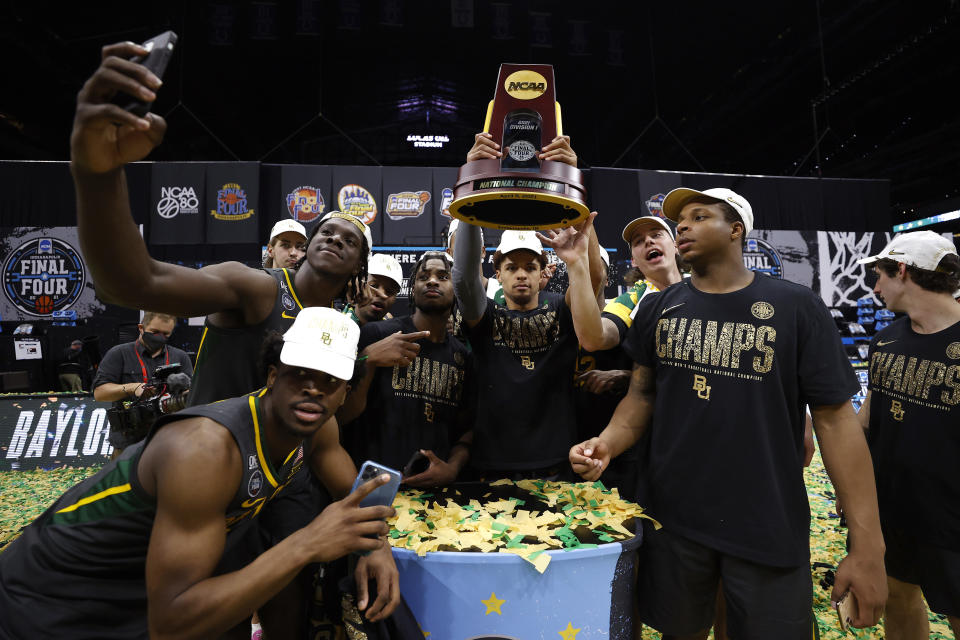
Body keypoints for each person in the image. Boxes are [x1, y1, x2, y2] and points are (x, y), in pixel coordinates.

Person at [70, 41, 399, 627]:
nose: (332, 237)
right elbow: (133, 279)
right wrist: (99, 174)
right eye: (324, 229)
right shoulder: (254, 289)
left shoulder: (340, 330)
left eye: (349, 240)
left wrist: (377, 528)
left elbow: (327, 439)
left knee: (289, 603)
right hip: (210, 466)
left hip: (283, 472)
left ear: (358, 271)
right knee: (202, 613)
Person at [569, 187, 887, 639]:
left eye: (700, 216)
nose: (683, 225)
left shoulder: (796, 307)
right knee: (682, 631)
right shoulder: (659, 307)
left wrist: (867, 545)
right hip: (674, 517)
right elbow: (641, 397)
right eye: (681, 220)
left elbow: (836, 422)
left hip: (765, 521)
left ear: (737, 230)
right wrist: (608, 441)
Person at [0, 307, 397, 639]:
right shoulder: (204, 449)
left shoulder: (316, 427)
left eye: (330, 380)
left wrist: (375, 546)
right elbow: (173, 625)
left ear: (346, 391)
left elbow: (356, 497)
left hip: (135, 592)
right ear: (273, 376)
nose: (314, 389)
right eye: (300, 374)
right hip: (47, 592)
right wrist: (308, 542)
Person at [453, 133, 606, 480]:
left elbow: (594, 280)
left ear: (544, 274)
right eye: (511, 267)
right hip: (490, 463)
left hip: (557, 461)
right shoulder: (485, 315)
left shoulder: (563, 308)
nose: (521, 274)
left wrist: (574, 186)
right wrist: (472, 177)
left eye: (530, 267)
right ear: (498, 273)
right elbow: (463, 277)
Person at [856, 231, 960, 638]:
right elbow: (867, 421)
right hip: (893, 508)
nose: (876, 288)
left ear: (902, 270)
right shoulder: (885, 340)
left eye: (880, 275)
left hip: (953, 517)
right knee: (897, 596)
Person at [340, 252, 474, 486]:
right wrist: (367, 360)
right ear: (412, 289)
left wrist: (452, 468)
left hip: (436, 498)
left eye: (443, 276)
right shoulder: (376, 335)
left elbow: (467, 430)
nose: (432, 281)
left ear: (457, 289)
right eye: (423, 277)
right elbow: (342, 415)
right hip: (373, 489)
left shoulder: (463, 357)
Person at [576, 214, 683, 352]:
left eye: (656, 235)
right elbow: (596, 338)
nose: (648, 241)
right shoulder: (632, 299)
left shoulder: (701, 287)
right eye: (638, 241)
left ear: (675, 246)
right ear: (634, 261)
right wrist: (575, 263)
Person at [92, 311, 193, 403]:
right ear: (141, 328)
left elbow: (193, 396)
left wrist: (184, 387)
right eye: (155, 332)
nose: (160, 337)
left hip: (170, 420)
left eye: (166, 334)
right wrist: (134, 388)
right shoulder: (119, 353)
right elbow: (99, 394)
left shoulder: (180, 356)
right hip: (131, 420)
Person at [348, 253, 403, 326]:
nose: (382, 295)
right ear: (358, 283)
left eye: (390, 291)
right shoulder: (335, 320)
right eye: (373, 285)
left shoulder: (390, 325)